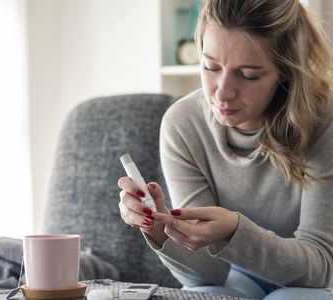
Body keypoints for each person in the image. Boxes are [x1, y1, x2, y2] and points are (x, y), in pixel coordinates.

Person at [117, 0, 333, 299]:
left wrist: (236, 233)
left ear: (284, 71)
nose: (222, 92)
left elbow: (321, 266)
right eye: (210, 66)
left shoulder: (324, 122)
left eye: (248, 74)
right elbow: (209, 274)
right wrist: (160, 228)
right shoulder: (184, 124)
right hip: (237, 275)